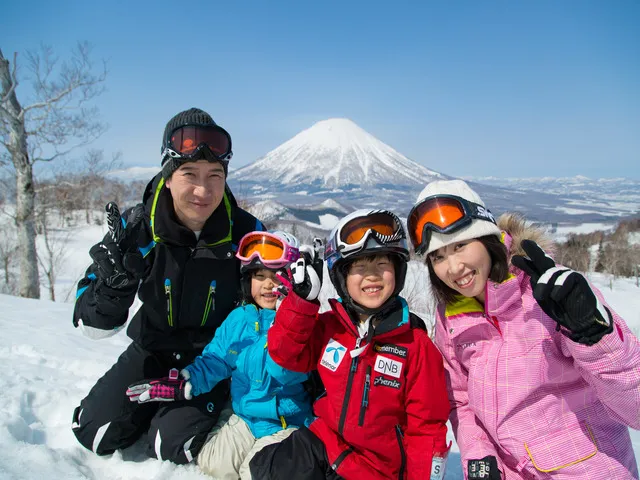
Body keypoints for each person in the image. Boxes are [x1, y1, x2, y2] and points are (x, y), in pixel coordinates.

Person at [407, 179, 640, 480]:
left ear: (486, 238)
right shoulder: (452, 316)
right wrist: (480, 455)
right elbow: (461, 398)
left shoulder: (549, 296)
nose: (453, 268)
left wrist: (594, 336)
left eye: (460, 245)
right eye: (438, 257)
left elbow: (635, 409)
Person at [71, 107, 264, 464]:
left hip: (213, 358)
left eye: (215, 175)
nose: (202, 190)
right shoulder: (136, 230)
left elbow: (272, 307)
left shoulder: (247, 234)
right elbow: (90, 325)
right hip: (152, 349)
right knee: (94, 432)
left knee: (172, 443)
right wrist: (113, 291)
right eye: (189, 173)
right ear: (169, 175)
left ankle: (185, 412)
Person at [250, 209, 450, 480]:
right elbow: (286, 355)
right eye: (359, 267)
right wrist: (301, 302)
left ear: (398, 270)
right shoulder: (331, 327)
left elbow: (427, 429)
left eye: (382, 265)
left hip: (376, 469)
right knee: (265, 468)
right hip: (325, 444)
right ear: (341, 278)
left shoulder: (415, 345)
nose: (372, 276)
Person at [125, 230, 314, 479]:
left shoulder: (300, 324)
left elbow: (291, 373)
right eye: (260, 276)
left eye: (277, 276)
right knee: (214, 465)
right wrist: (184, 382)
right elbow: (215, 360)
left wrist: (294, 317)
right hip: (246, 417)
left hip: (285, 421)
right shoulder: (239, 319)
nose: (269, 284)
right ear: (248, 281)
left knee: (254, 472)